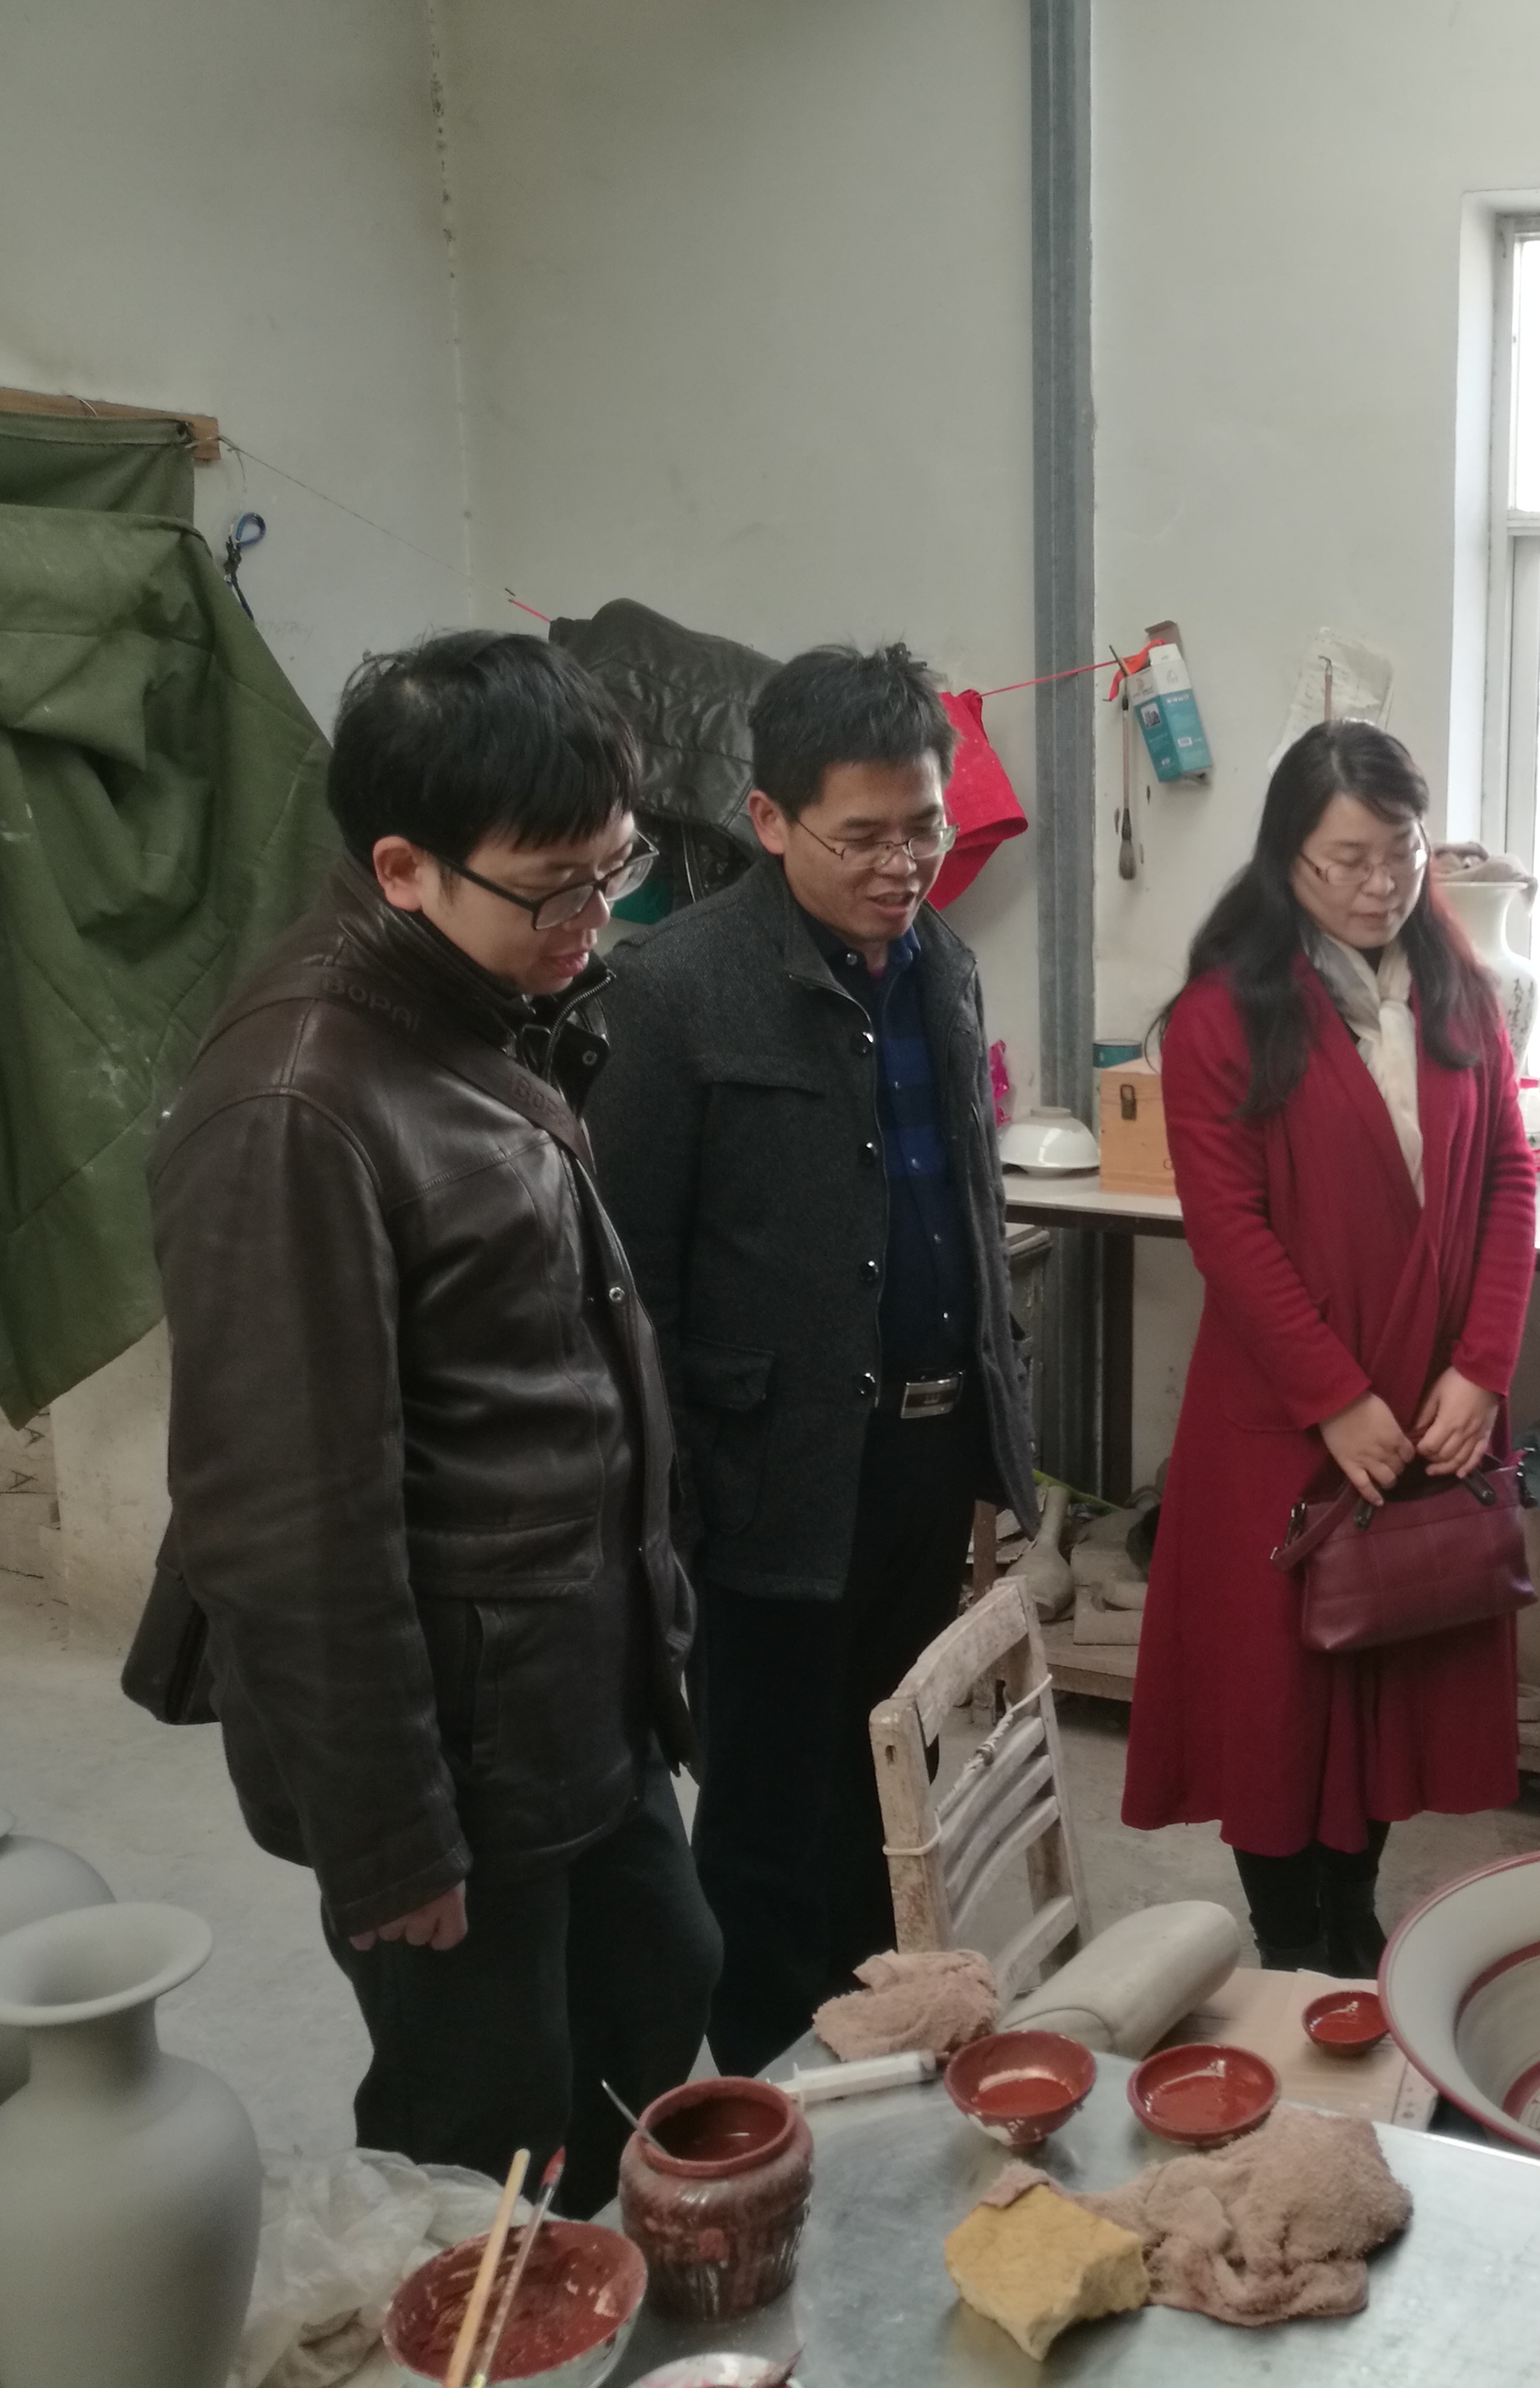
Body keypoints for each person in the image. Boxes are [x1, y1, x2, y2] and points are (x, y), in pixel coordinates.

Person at [127, 631, 714, 2211]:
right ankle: (484, 2316)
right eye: (555, 887)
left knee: (660, 1986)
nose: (595, 918)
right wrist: (390, 1842)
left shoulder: (473, 1005)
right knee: (484, 2117)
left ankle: (609, 2296)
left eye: (614, 868)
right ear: (401, 867)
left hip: (573, 1687)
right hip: (455, 1739)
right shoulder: (295, 1107)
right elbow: (285, 1519)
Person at [589, 642, 1037, 2077]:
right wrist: (672, 1507)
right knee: (770, 1808)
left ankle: (874, 2053)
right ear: (770, 819)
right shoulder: (673, 989)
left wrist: (996, 1415)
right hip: (766, 1475)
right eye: (864, 836)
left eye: (925, 827)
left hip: (922, 1454)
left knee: (887, 1776)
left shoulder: (943, 964)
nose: (902, 865)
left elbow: (967, 1201)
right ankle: (770, 2091)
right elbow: (632, 1279)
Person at [1121, 722, 1539, 1974]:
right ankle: (1285, 1938)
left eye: (1398, 852)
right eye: (1344, 861)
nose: (1378, 885)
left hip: (1434, 1398)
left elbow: (1510, 1178)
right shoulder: (1223, 1016)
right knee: (1275, 1694)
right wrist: (1335, 1397)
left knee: (1389, 1671)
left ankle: (1350, 1925)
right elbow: (1230, 1233)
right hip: (1286, 1414)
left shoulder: (1459, 991)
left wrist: (1482, 1366)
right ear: (1284, 857)